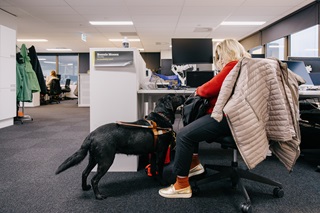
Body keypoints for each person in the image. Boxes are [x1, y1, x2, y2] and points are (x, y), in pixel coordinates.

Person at [158, 38, 251, 198]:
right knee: (193, 119)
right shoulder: (246, 67)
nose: (218, 60)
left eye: (219, 56)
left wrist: (198, 90)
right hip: (241, 118)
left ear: (226, 54)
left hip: (227, 119)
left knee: (183, 135)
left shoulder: (232, 67)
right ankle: (193, 164)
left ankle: (181, 186)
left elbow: (207, 90)